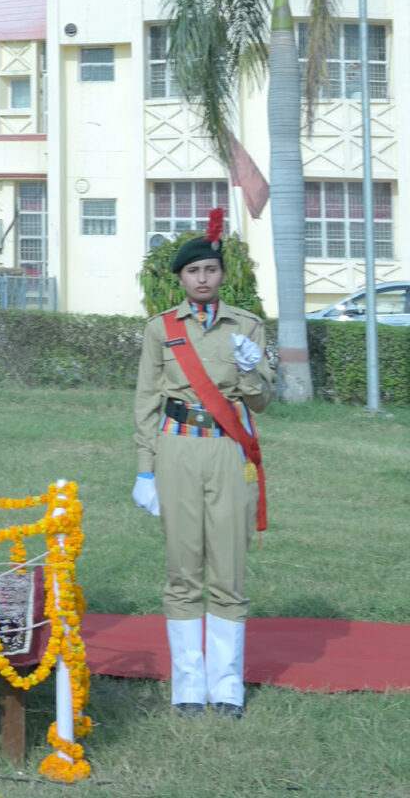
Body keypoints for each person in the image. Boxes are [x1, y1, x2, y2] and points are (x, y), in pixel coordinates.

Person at [132, 209, 273, 716]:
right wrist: (145, 468)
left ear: (221, 273)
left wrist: (253, 371)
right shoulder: (161, 330)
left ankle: (227, 685)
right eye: (193, 272)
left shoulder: (247, 327)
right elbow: (147, 401)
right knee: (182, 568)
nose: (203, 279)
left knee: (229, 571)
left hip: (229, 451)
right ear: (181, 279)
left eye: (211, 270)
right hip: (176, 449)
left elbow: (260, 404)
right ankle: (189, 684)